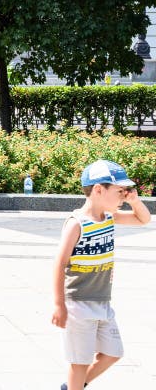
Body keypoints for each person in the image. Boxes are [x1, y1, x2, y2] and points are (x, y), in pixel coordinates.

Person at [51, 160, 150, 390]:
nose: (123, 196)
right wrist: (59, 305)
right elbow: (59, 264)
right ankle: (75, 385)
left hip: (103, 301)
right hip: (78, 303)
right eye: (119, 192)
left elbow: (143, 219)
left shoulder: (108, 218)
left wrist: (134, 201)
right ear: (98, 190)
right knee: (79, 362)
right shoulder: (77, 224)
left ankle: (74, 386)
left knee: (113, 353)